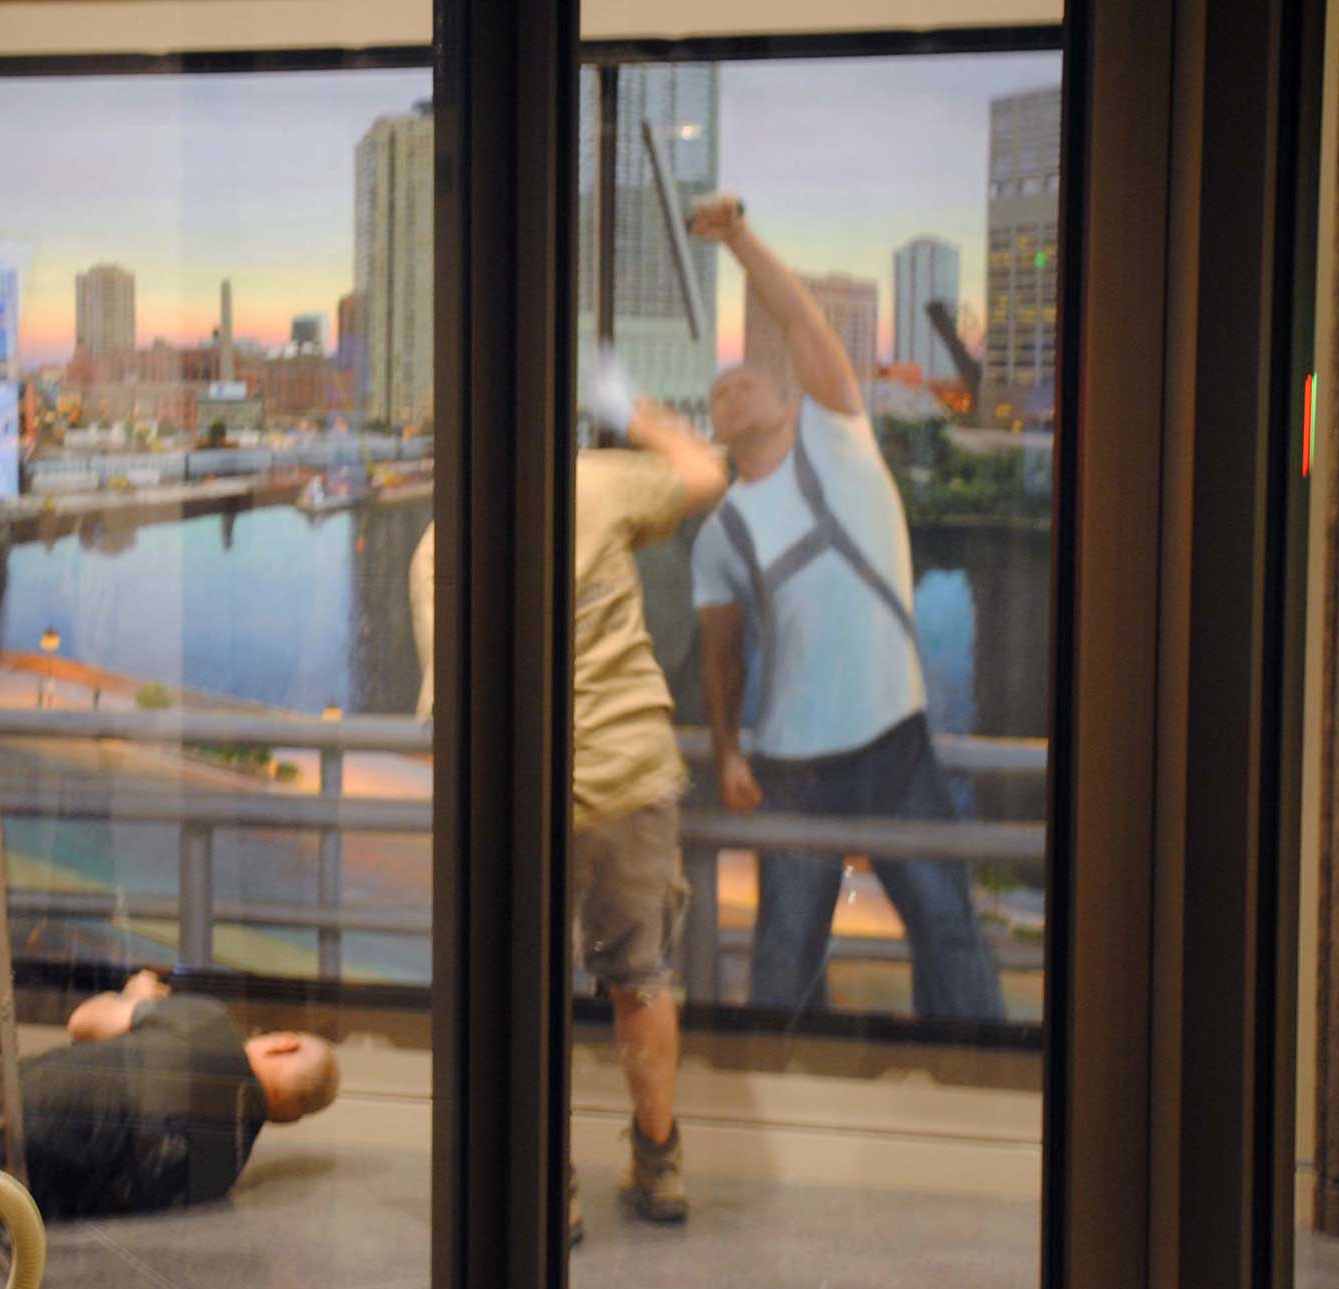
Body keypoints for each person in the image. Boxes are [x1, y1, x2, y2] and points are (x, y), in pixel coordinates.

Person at [409, 377, 727, 1238]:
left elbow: (454, 714)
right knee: (641, 977)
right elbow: (705, 473)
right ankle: (658, 1164)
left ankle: (553, 1184)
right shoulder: (590, 483)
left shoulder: (438, 552)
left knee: (527, 990)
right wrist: (637, 409)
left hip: (527, 802)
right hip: (631, 772)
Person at [687, 194, 1005, 1023]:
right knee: (784, 955)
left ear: (789, 402)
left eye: (746, 380)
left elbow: (799, 320)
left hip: (896, 743)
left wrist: (739, 238)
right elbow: (722, 654)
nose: (731, 388)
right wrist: (728, 751)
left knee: (950, 934)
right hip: (791, 768)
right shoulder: (719, 533)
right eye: (720, 391)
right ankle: (778, 1076)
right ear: (716, 429)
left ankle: (978, 1076)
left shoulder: (839, 437)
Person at [0, 969, 340, 1219]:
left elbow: (85, 1022)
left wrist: (139, 997)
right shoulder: (220, 1174)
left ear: (284, 1044)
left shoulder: (210, 1026)